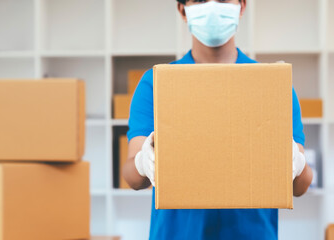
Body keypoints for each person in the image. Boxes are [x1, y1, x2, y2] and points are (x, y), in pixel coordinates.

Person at [123, 0, 314, 239]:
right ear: (182, 10)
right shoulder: (157, 83)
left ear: (242, 6)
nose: (212, 6)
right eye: (200, 0)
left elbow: (301, 186)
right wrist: (144, 162)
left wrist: (296, 164)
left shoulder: (272, 84)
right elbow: (131, 176)